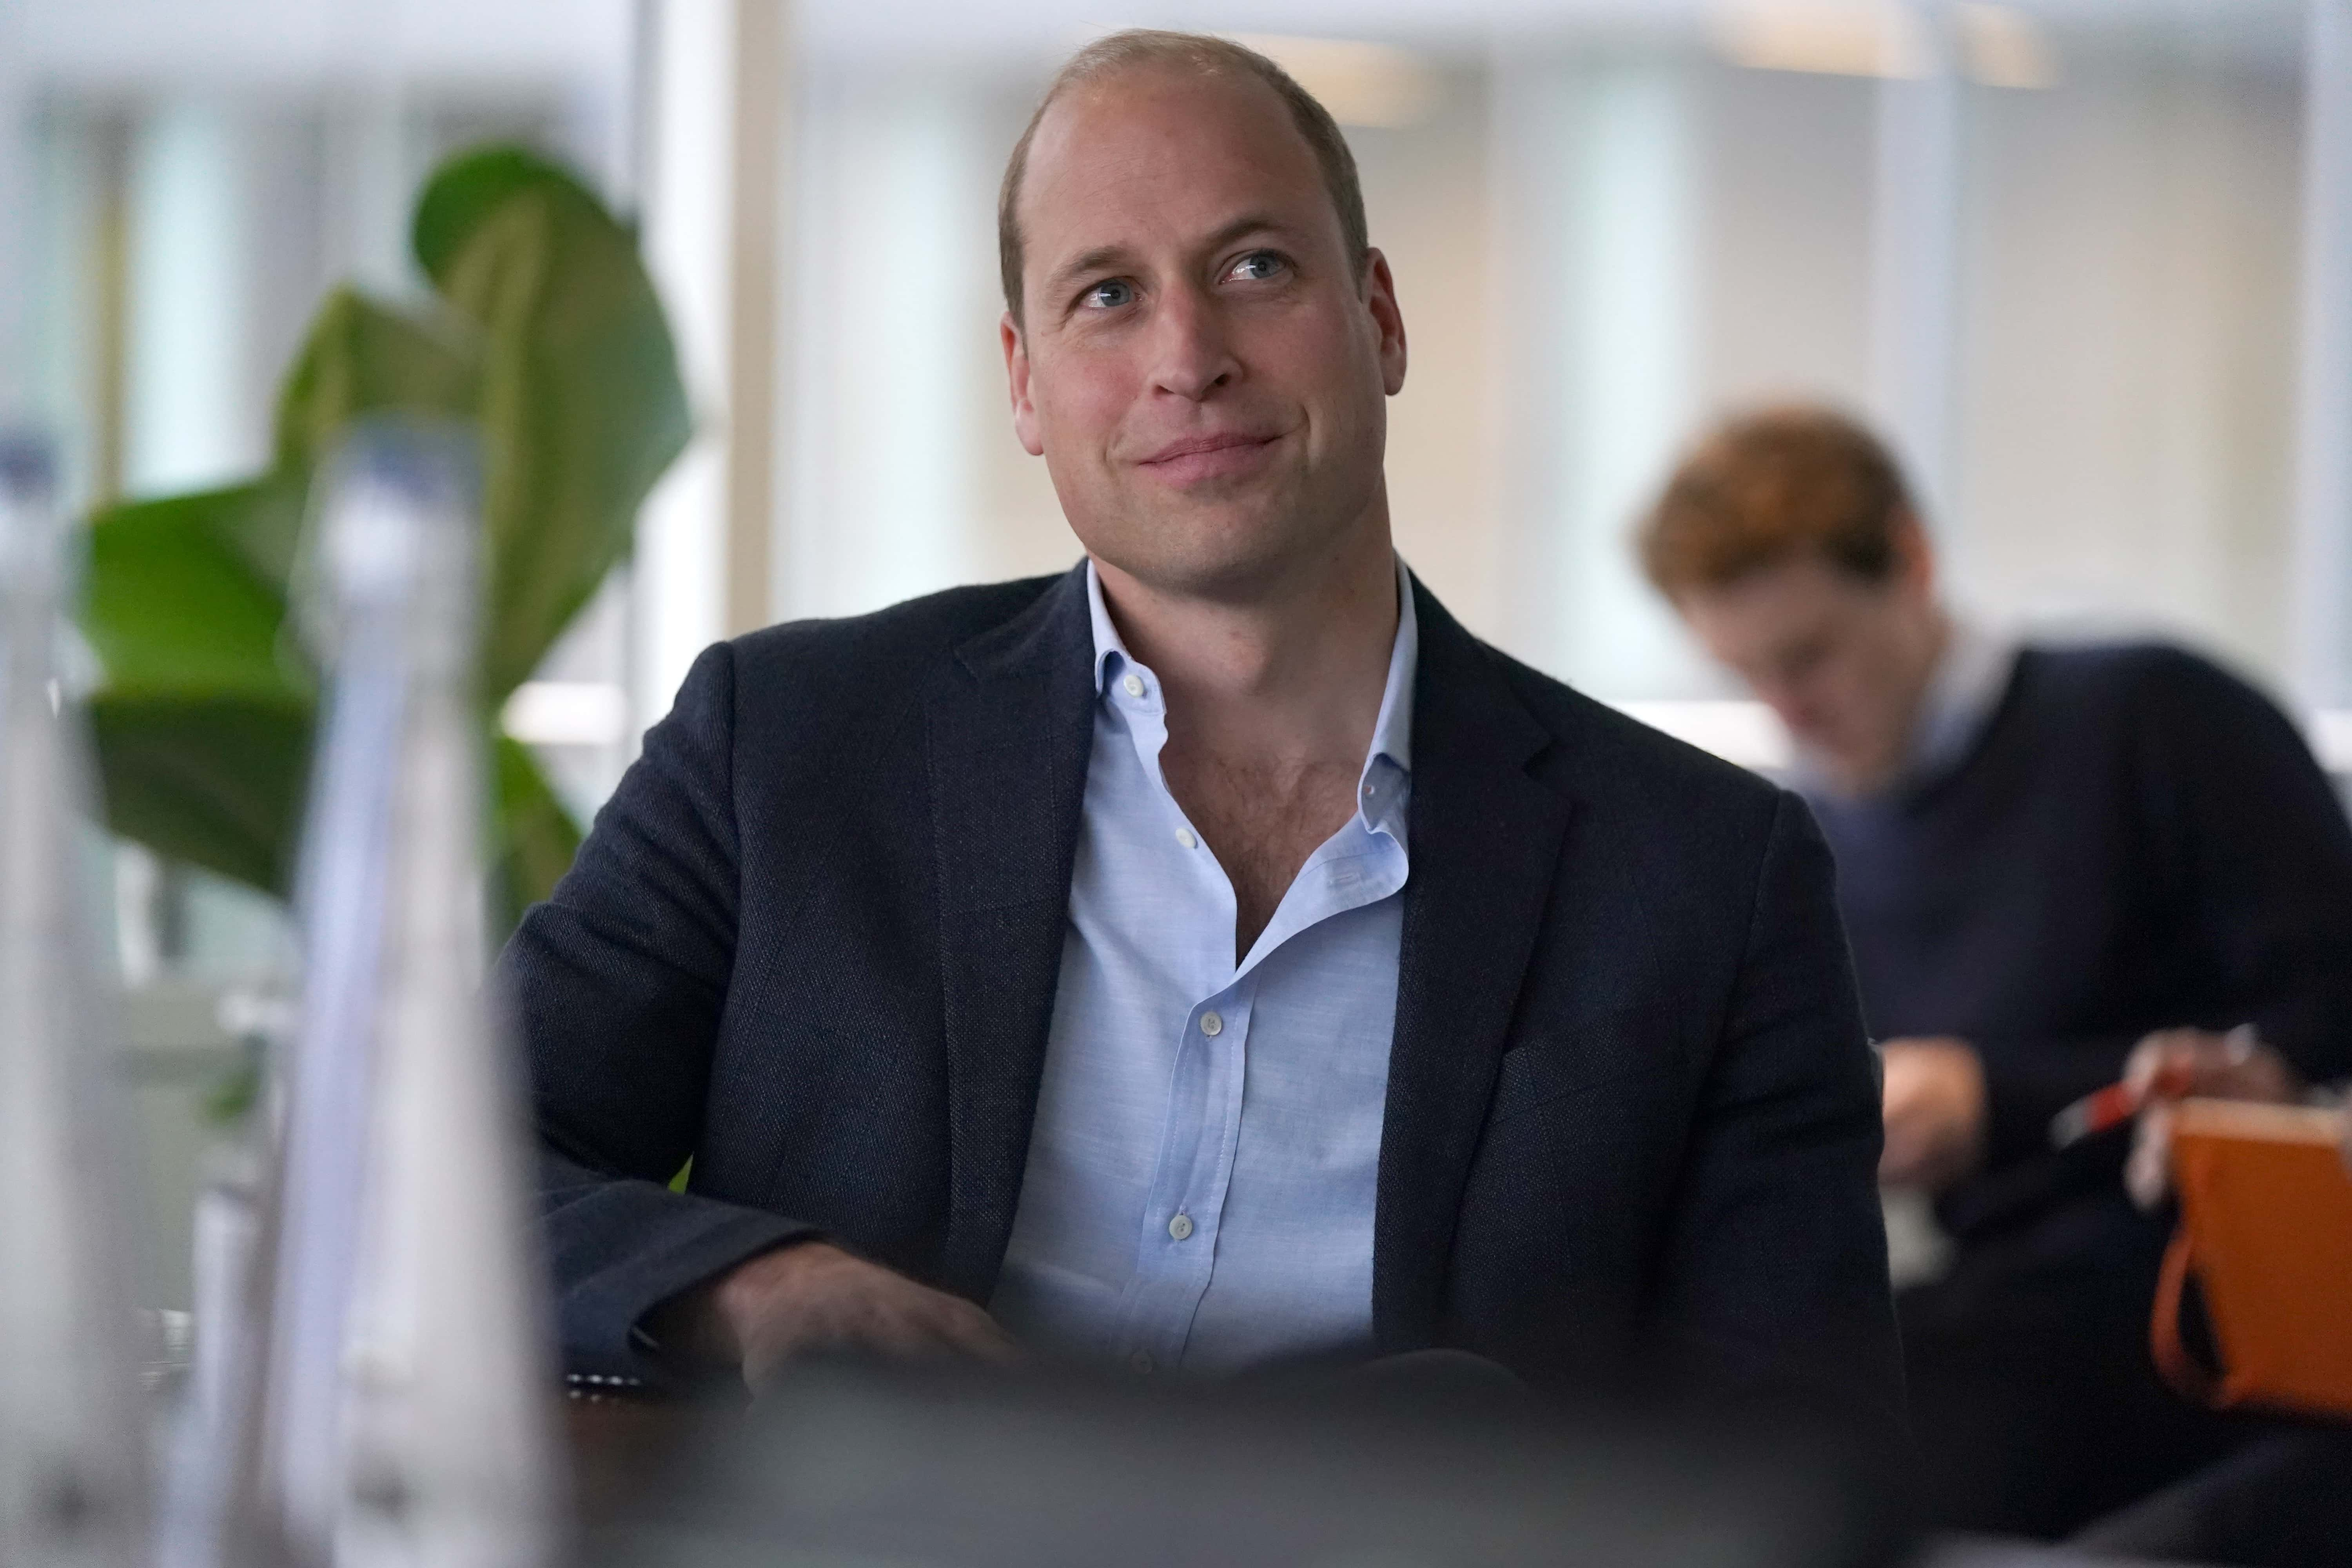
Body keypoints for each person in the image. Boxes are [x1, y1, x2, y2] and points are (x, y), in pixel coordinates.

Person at [506, 35, 1900, 1438]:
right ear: (1025, 386)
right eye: (1107, 295)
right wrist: (762, 1289)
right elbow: (447, 1157)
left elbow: (1803, 1450)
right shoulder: (786, 747)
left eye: (1254, 269)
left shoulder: (1711, 871)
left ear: (1382, 320)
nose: (1189, 357)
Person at [1639, 405, 2352, 1537]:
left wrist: (1997, 1102)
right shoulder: (1811, 839)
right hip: (2000, 1317)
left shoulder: (2150, 718)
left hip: (2206, 1309)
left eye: (1808, 656)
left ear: (1911, 560)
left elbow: (2328, 1014)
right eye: (1745, 676)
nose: (1789, 710)